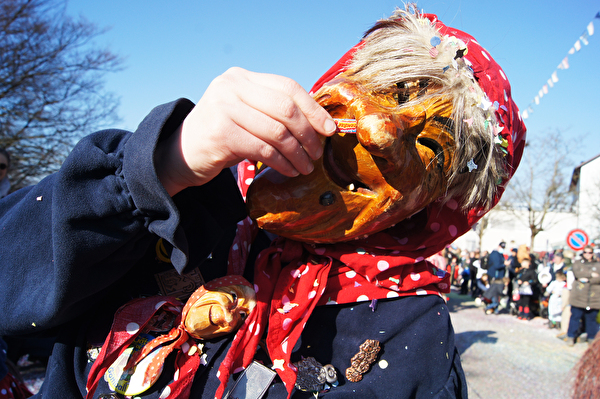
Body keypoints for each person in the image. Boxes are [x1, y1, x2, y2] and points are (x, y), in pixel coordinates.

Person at [0, 6, 526, 399]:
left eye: (429, 147)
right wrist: (164, 164)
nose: (381, 129)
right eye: (395, 89)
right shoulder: (174, 202)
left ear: (420, 215)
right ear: (335, 80)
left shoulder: (410, 329)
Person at [566, 245, 600, 346]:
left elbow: (598, 278)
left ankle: (591, 339)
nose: (587, 254)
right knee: (575, 317)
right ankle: (571, 336)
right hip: (579, 296)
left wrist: (588, 279)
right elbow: (578, 273)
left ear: (592, 253)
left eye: (589, 252)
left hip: (593, 297)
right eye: (585, 252)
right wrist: (591, 274)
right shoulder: (577, 263)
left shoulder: (598, 265)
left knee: (591, 320)